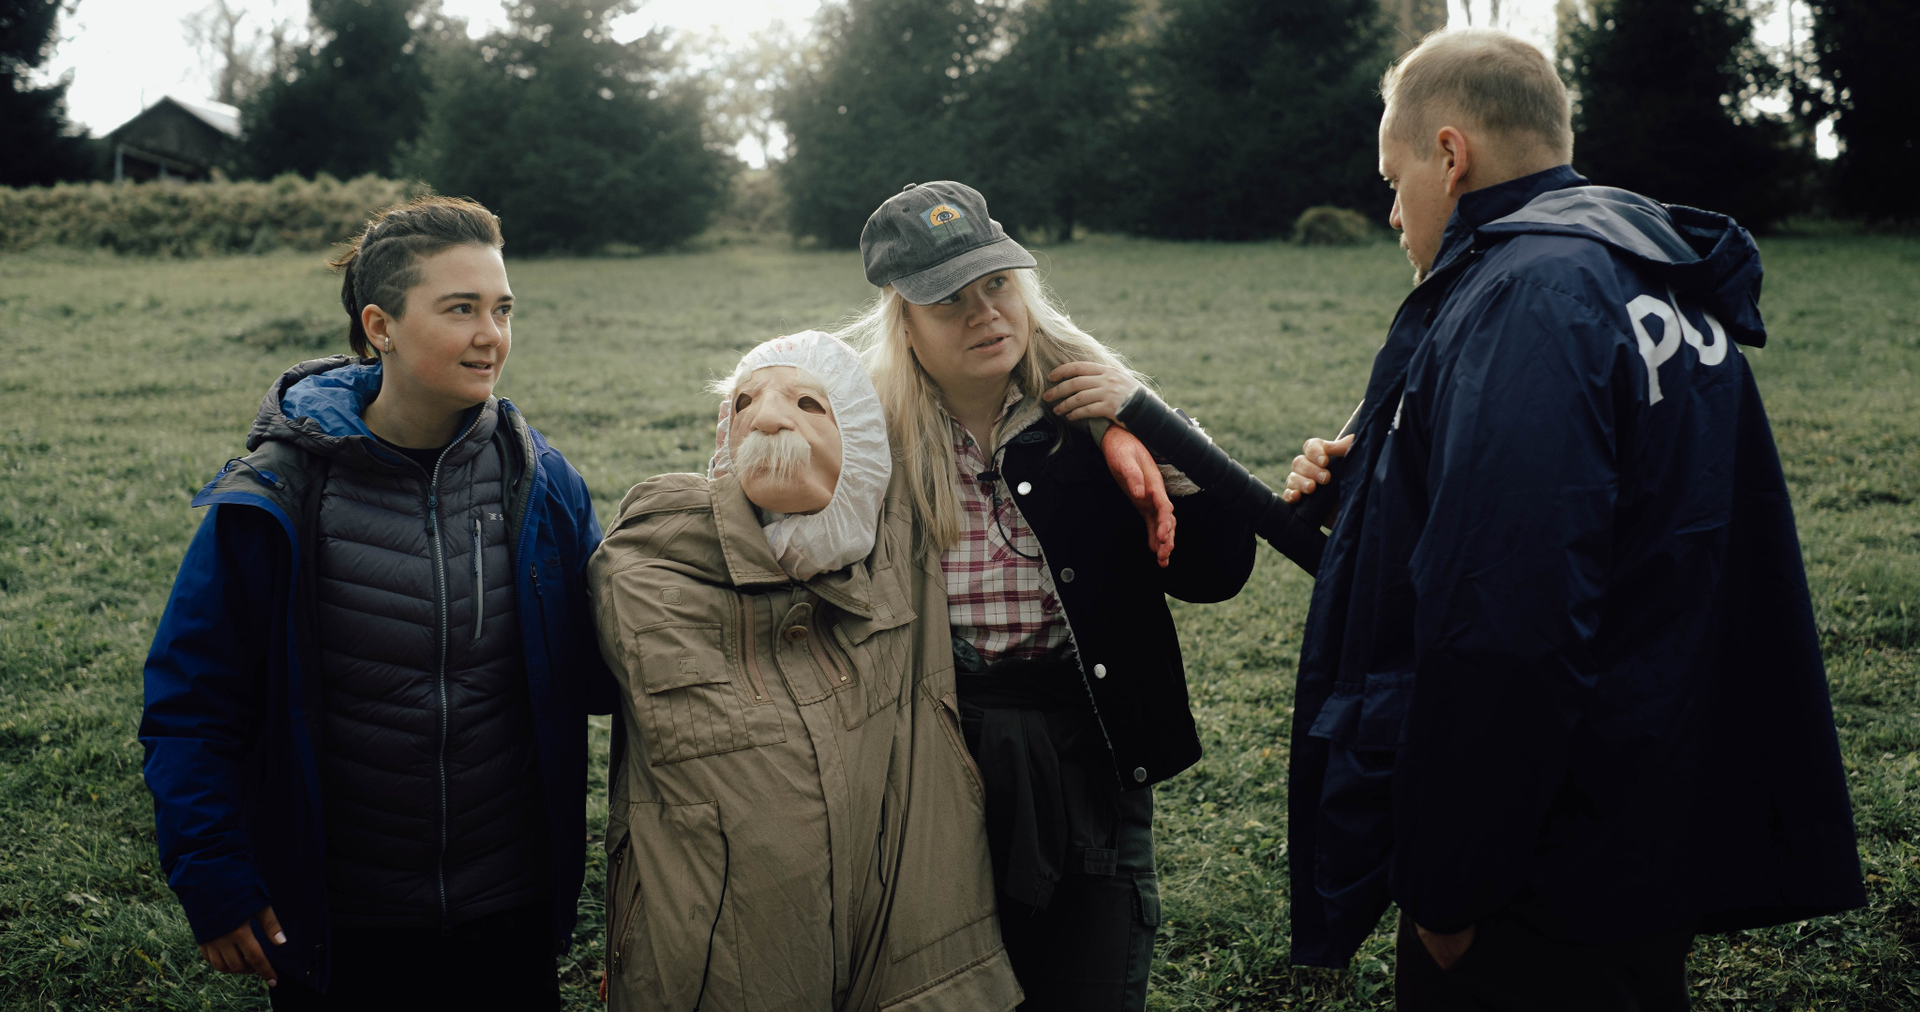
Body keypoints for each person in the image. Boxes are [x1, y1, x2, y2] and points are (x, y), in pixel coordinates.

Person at [1280, 28, 1864, 1009]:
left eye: (1393, 178)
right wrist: (1381, 483)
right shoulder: (1646, 271)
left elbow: (1508, 612)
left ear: (1450, 154)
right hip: (1647, 809)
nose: (1391, 211)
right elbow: (1642, 519)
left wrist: (1453, 882)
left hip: (1542, 863)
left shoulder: (1529, 298)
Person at [140, 197, 609, 1010]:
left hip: (510, 911)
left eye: (502, 309)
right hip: (342, 922)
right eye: (460, 309)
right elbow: (192, 703)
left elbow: (606, 672)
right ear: (380, 326)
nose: (491, 335)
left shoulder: (541, 482)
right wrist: (210, 872)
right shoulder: (278, 495)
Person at [842, 180, 1259, 1012]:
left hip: (1090, 751)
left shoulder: (1093, 415)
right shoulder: (872, 438)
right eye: (949, 300)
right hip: (937, 763)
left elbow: (1217, 572)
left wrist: (1152, 425)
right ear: (904, 320)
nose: (984, 314)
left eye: (997, 283)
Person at [588, 330, 1021, 1011]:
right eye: (744, 402)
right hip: (715, 970)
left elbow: (1003, 370)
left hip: (899, 944)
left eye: (809, 404)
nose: (766, 417)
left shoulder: (907, 544)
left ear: (865, 444)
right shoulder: (642, 563)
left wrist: (1124, 423)